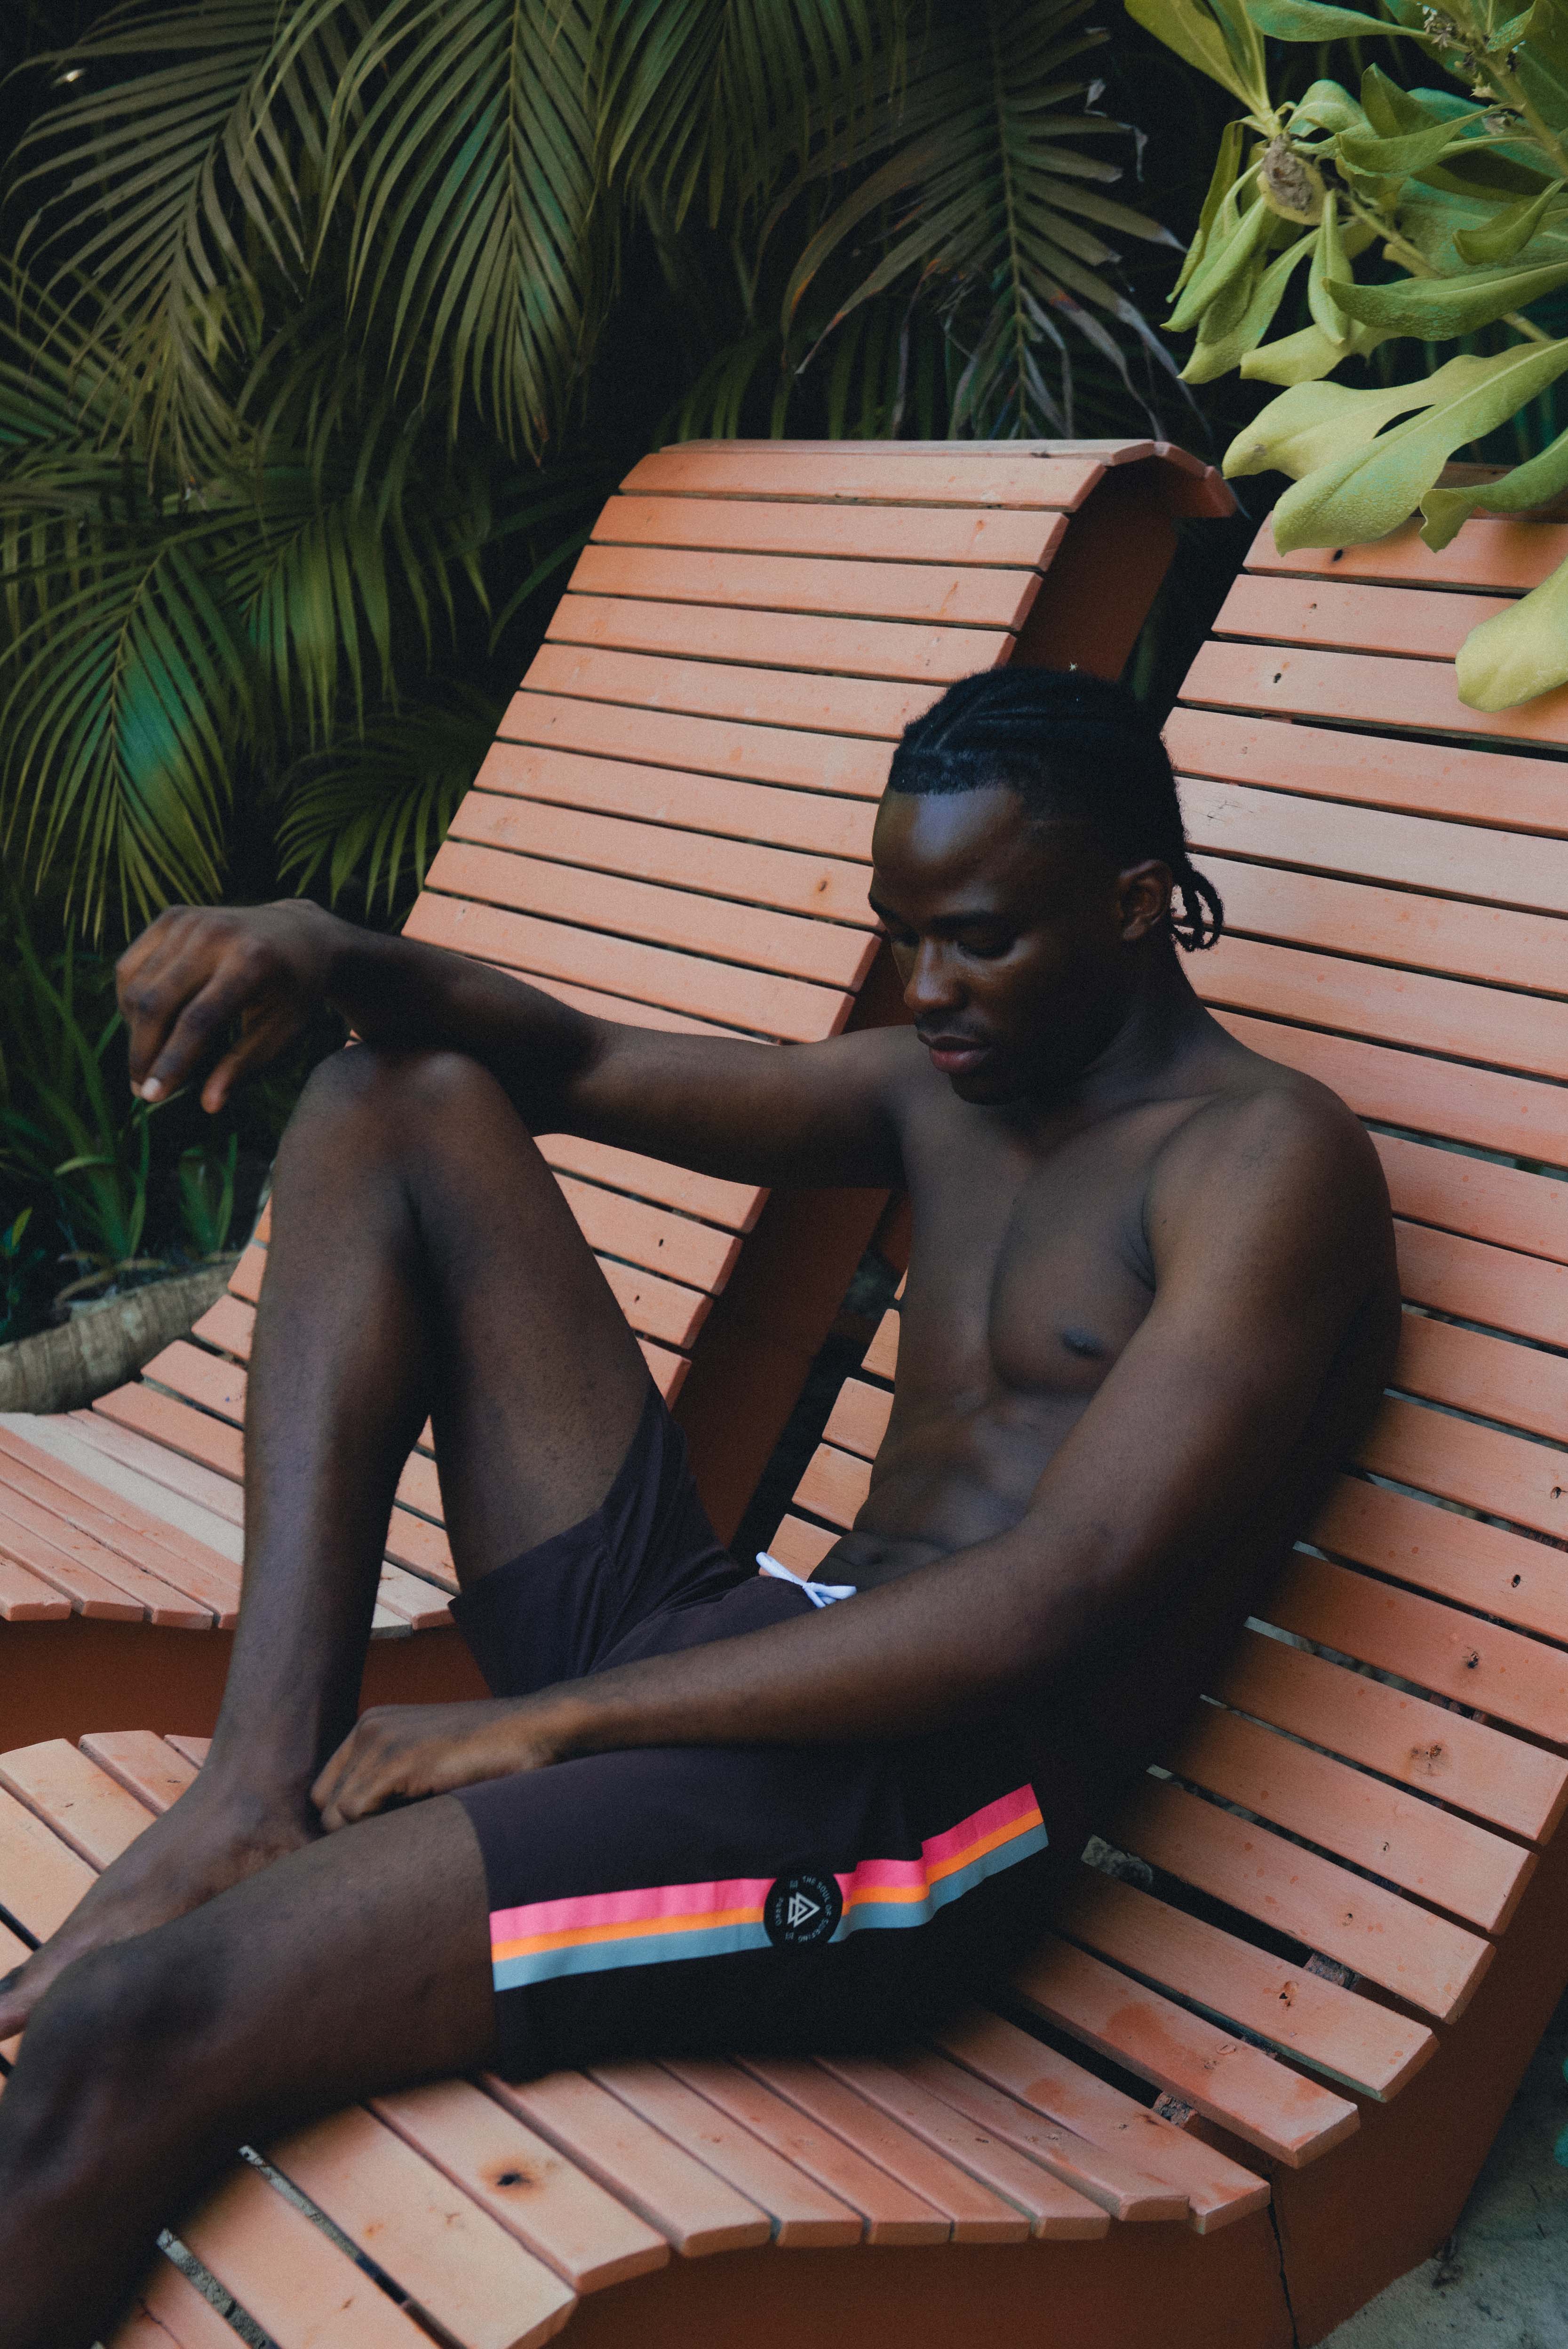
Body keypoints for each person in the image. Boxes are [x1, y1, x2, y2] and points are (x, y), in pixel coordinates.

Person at [0, 668, 1399, 2346]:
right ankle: (250, 1784)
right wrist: (326, 944)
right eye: (902, 937)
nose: (926, 989)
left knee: (134, 2028)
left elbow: (1062, 1589)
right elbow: (580, 1060)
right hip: (756, 1654)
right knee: (392, 1100)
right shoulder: (938, 1089)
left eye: (976, 939)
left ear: (1135, 900)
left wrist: (556, 1720)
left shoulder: (1262, 1162)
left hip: (918, 1808)